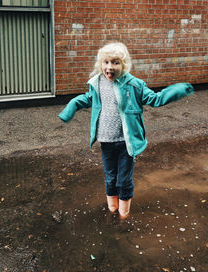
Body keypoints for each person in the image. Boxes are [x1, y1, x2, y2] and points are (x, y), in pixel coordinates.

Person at [58, 42, 194, 220]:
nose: (110, 67)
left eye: (115, 62)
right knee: (110, 178)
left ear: (123, 65)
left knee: (123, 180)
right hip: (106, 139)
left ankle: (124, 214)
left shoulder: (134, 85)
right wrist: (71, 107)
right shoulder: (97, 83)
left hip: (126, 142)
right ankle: (112, 209)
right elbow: (86, 98)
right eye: (106, 62)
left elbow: (155, 99)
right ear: (101, 64)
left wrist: (177, 90)